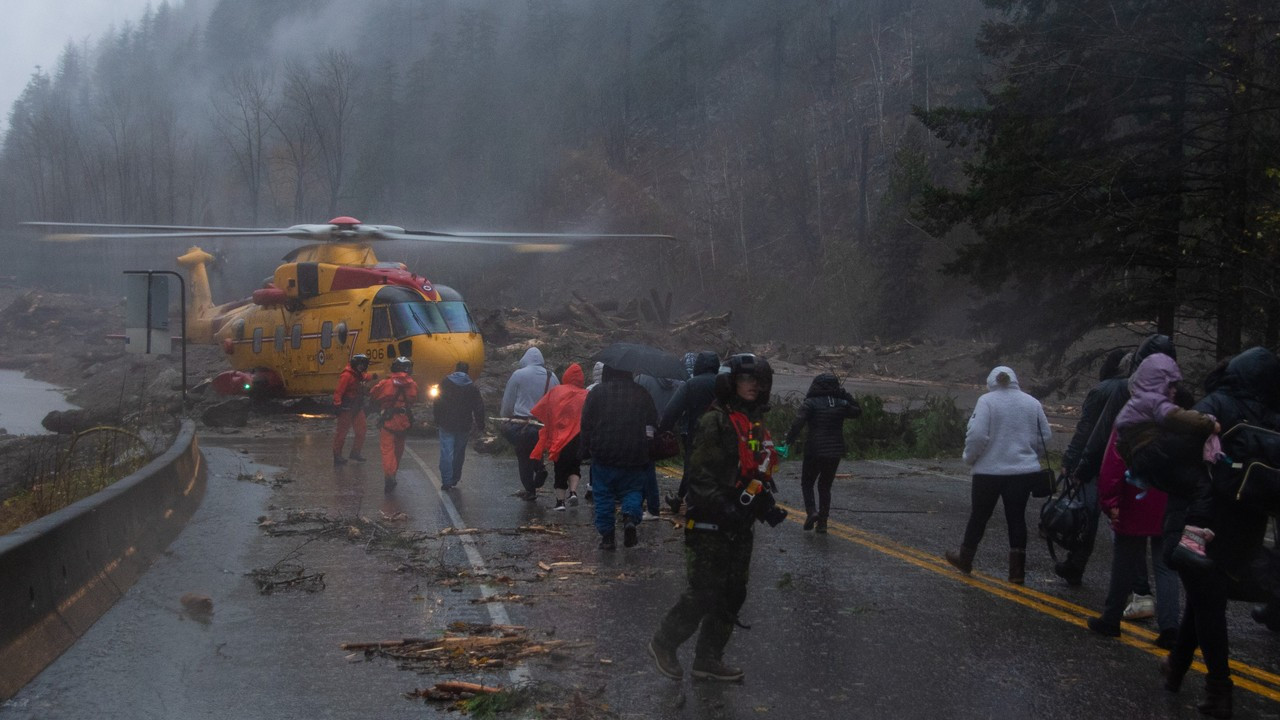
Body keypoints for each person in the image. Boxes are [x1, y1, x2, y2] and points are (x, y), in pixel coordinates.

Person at [1157, 347, 1280, 718]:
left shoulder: (1218, 404)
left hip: (1205, 518)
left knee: (1209, 603)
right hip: (1250, 523)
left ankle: (1219, 690)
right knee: (1204, 594)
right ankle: (1176, 667)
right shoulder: (1273, 414)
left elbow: (1172, 451)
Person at [650, 353, 780, 683]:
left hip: (740, 526)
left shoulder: (753, 424)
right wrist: (725, 507)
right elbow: (700, 478)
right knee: (704, 592)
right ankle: (664, 642)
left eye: (759, 381)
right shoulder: (715, 421)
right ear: (731, 382)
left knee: (733, 593)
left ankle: (708, 658)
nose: (754, 386)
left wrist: (763, 505)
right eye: (747, 379)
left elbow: (753, 471)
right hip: (709, 524)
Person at [1086, 355, 1211, 648]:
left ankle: (1111, 618)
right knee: (1165, 565)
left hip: (1134, 500)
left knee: (1124, 563)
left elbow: (1113, 463)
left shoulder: (1132, 416)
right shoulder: (1178, 416)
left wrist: (1109, 500)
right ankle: (1169, 627)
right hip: (1167, 500)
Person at [1056, 335, 1176, 586]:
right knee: (1130, 527)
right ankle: (1138, 588)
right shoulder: (1160, 391)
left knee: (1087, 518)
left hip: (1101, 463)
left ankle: (1077, 564)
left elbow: (1089, 430)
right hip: (1136, 466)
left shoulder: (1106, 390)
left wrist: (1074, 462)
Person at [945, 365, 1051, 584]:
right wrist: (1031, 456)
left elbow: (977, 435)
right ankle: (1017, 572)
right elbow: (1045, 437)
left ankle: (965, 557)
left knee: (979, 516)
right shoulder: (1032, 403)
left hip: (988, 472)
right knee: (1017, 518)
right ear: (1015, 380)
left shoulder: (987, 401)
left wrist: (969, 458)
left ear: (992, 382)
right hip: (1023, 472)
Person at [580, 363, 658, 550]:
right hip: (634, 453)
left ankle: (607, 537)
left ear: (607, 372)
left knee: (603, 494)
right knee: (632, 490)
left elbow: (586, 424)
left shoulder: (597, 393)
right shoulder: (641, 393)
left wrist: (584, 449)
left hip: (603, 453)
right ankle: (630, 517)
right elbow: (653, 422)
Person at [779, 373, 861, 533]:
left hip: (814, 450)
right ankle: (822, 522)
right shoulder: (841, 403)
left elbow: (798, 423)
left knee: (807, 483)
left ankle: (812, 512)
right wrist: (845, 394)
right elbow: (858, 411)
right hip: (835, 451)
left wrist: (788, 441)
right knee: (825, 486)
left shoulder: (810, 403)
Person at [659, 351, 721, 514]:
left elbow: (671, 411)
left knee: (692, 468)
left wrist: (663, 429)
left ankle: (682, 501)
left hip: (696, 435)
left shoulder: (691, 384)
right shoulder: (725, 384)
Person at [500, 347, 558, 500]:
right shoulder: (551, 377)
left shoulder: (518, 375)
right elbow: (557, 401)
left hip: (521, 424)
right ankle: (539, 467)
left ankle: (530, 489)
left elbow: (508, 401)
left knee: (523, 454)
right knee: (536, 450)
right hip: (542, 425)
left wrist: (505, 417)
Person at [529, 362, 588, 510]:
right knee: (575, 466)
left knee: (560, 468)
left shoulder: (556, 391)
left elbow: (544, 409)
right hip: (578, 437)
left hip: (560, 437)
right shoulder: (586, 394)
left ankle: (560, 502)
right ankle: (573, 491)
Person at [637, 372, 686, 519]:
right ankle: (648, 505)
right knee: (648, 466)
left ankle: (650, 507)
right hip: (661, 428)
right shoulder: (677, 382)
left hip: (643, 429)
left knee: (644, 468)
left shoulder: (642, 380)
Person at [370, 357, 420, 492]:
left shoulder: (386, 383)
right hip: (403, 421)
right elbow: (413, 399)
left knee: (387, 451)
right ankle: (393, 473)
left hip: (388, 420)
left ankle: (389, 476)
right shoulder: (412, 384)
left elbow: (373, 394)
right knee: (398, 451)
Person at [433, 361, 485, 489]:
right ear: (467, 371)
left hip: (446, 423)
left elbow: (437, 402)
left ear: (455, 369)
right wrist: (480, 424)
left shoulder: (445, 382)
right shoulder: (472, 387)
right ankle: (455, 478)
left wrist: (437, 419)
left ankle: (446, 480)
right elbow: (479, 407)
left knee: (446, 452)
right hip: (464, 425)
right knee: (459, 453)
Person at [332, 354, 372, 465]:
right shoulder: (347, 376)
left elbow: (366, 377)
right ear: (356, 365)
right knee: (342, 433)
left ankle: (355, 452)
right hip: (346, 408)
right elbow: (338, 392)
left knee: (361, 431)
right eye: (361, 365)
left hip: (357, 407)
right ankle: (337, 455)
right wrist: (337, 405)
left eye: (363, 365)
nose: (362, 367)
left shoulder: (358, 374)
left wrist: (374, 376)